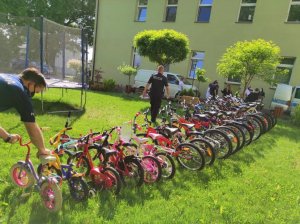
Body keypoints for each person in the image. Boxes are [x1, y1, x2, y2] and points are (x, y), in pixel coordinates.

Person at [0, 68, 55, 163]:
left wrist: (7, 136)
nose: (32, 95)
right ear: (31, 83)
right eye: (34, 92)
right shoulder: (18, 90)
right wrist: (42, 149)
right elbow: (31, 126)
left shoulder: (7, 77)